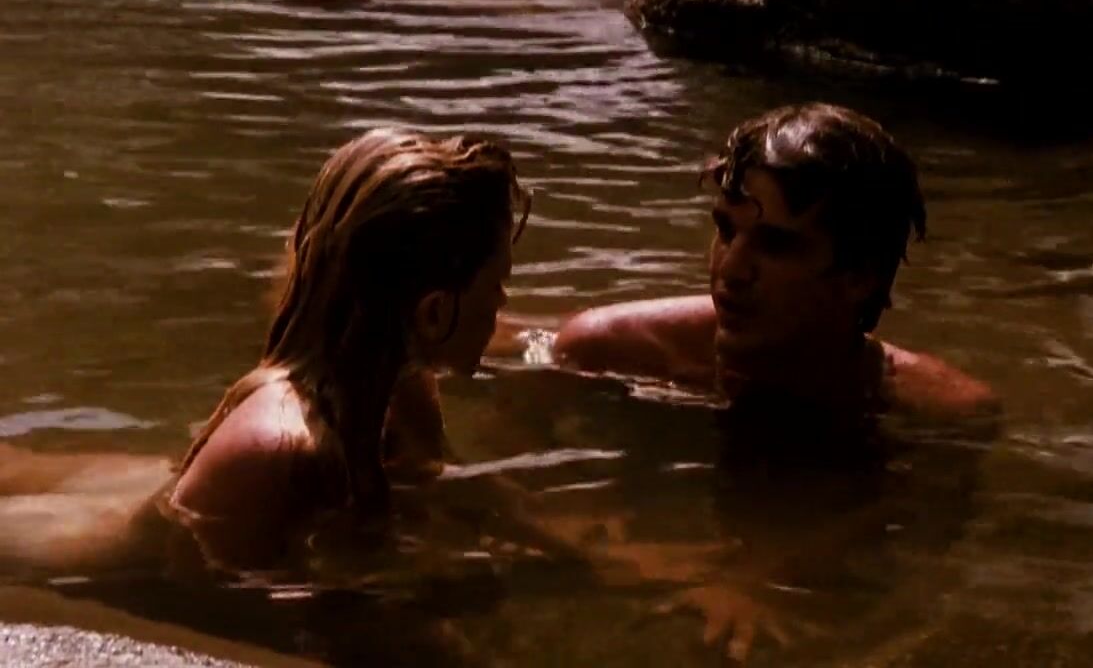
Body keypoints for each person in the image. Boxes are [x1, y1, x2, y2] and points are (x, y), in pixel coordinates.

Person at [164, 126, 532, 567]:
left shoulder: (403, 392)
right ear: (433, 313)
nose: (503, 302)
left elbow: (427, 491)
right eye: (496, 284)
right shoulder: (275, 449)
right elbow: (200, 587)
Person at [550, 102, 998, 420]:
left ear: (859, 276)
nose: (731, 270)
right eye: (726, 231)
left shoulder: (938, 413)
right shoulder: (608, 353)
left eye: (775, 246)